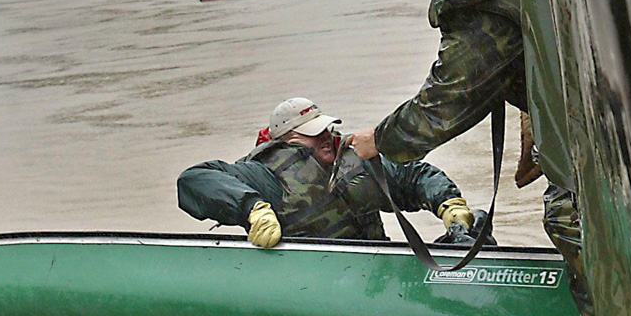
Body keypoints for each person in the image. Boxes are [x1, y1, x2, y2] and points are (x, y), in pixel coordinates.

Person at [348, 0, 592, 316]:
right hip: (624, 81)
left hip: (599, 117)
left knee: (568, 216)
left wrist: (377, 140)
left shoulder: (475, 10)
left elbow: (443, 105)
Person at [177, 97, 485, 248]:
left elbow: (413, 177)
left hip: (377, 272)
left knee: (477, 227)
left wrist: (447, 204)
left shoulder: (357, 162)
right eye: (314, 132)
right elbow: (194, 179)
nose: (327, 135)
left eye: (327, 128)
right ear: (289, 140)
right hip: (315, 281)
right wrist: (252, 208)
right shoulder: (265, 175)